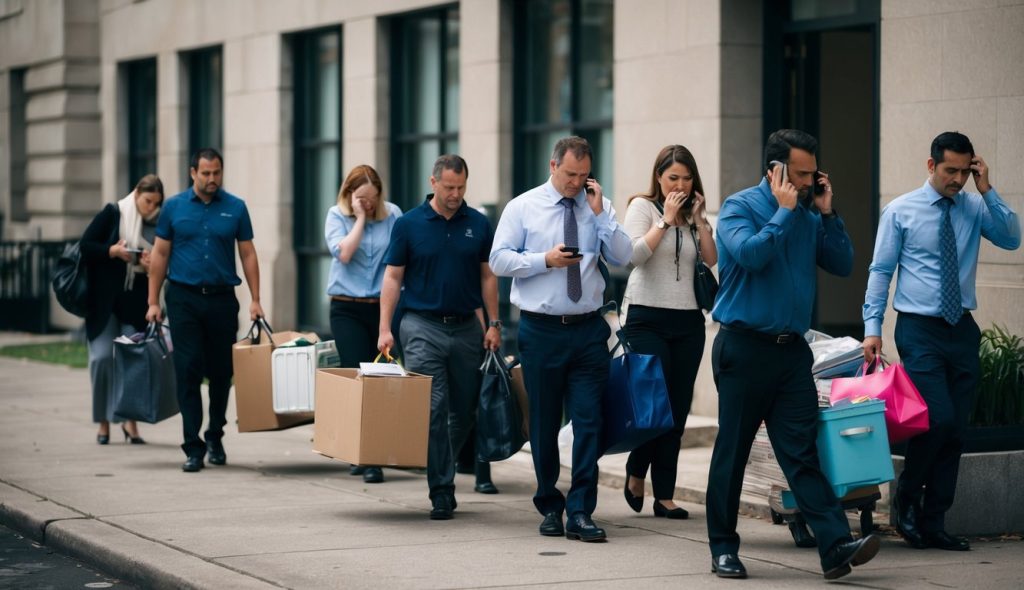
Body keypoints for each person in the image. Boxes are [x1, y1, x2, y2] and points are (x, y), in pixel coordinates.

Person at [706, 129, 879, 580]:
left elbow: (842, 264)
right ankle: (723, 547)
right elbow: (750, 255)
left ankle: (835, 546)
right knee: (733, 450)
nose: (808, 182)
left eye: (811, 174)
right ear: (775, 170)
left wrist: (828, 213)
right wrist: (784, 213)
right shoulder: (739, 208)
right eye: (800, 175)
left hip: (790, 355)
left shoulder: (807, 214)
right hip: (743, 348)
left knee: (802, 453)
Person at [862, 131, 1020, 552]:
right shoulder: (900, 211)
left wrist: (987, 190)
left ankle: (934, 522)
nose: (957, 179)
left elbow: (1011, 237)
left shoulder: (973, 205)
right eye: (950, 170)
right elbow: (881, 271)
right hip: (918, 328)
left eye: (965, 172)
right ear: (931, 166)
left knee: (956, 432)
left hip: (961, 328)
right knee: (937, 419)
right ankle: (907, 502)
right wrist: (872, 327)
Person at [490, 136, 631, 542]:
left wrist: (601, 214)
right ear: (553, 166)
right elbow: (499, 259)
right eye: (570, 174)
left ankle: (581, 510)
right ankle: (549, 503)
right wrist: (544, 261)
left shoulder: (595, 207)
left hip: (588, 330)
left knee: (590, 421)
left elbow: (624, 255)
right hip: (541, 330)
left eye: (584, 175)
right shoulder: (523, 207)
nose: (576, 183)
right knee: (545, 423)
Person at [377, 154, 501, 520]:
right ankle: (442, 490)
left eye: (461, 187)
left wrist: (494, 323)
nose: (455, 194)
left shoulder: (478, 224)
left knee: (464, 410)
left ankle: (439, 460)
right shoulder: (410, 225)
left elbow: (488, 277)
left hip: (466, 326)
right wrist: (385, 328)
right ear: (433, 183)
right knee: (433, 407)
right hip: (420, 325)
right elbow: (393, 278)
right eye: (449, 187)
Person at [146, 148, 264, 473]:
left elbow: (249, 254)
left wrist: (255, 299)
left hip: (223, 299)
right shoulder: (173, 208)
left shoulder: (236, 208)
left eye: (217, 173)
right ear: (192, 172)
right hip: (183, 298)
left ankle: (215, 434)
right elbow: (159, 255)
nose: (212, 179)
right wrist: (153, 301)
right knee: (188, 370)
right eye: (206, 173)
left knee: (222, 372)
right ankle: (192, 446)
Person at [620, 145, 716, 519]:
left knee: (676, 412)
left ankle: (664, 495)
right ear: (659, 177)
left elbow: (712, 259)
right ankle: (635, 467)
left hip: (688, 321)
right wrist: (665, 220)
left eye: (686, 178)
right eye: (673, 177)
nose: (680, 184)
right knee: (652, 409)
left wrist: (701, 220)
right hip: (646, 319)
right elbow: (632, 256)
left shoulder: (694, 215)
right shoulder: (643, 207)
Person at [325, 164, 402, 484]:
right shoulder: (336, 215)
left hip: (382, 308)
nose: (368, 204)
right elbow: (343, 254)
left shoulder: (393, 215)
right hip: (347, 307)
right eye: (361, 198)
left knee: (382, 379)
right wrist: (358, 218)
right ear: (349, 194)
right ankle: (364, 456)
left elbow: (401, 258)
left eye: (372, 198)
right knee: (359, 379)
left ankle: (374, 451)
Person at [80, 175, 164, 445]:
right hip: (104, 303)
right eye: (148, 201)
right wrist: (112, 251)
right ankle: (104, 423)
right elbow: (86, 247)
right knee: (103, 358)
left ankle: (131, 423)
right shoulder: (113, 213)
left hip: (134, 303)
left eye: (156, 203)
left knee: (133, 361)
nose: (151, 207)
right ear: (136, 192)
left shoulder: (157, 225)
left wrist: (150, 264)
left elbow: (160, 264)